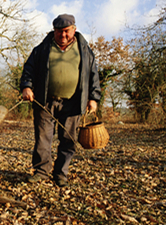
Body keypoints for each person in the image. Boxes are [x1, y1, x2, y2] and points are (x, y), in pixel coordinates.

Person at [20, 14, 101, 187]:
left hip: (73, 102)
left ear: (74, 29)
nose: (63, 35)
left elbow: (93, 75)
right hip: (45, 101)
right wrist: (27, 87)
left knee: (68, 140)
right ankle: (41, 172)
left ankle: (61, 173)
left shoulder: (84, 50)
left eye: (66, 31)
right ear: (53, 31)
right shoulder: (42, 48)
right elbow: (29, 69)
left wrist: (93, 98)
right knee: (42, 140)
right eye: (59, 32)